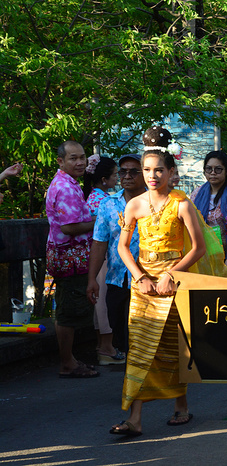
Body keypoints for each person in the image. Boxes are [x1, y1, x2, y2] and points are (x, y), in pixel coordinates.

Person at [110, 127, 214, 437]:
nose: (152, 175)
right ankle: (135, 419)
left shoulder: (181, 203)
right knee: (140, 349)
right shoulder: (134, 205)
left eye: (159, 170)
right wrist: (140, 276)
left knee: (170, 348)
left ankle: (181, 406)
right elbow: (122, 247)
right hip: (143, 288)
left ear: (171, 172)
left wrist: (170, 274)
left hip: (172, 286)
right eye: (147, 170)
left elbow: (199, 247)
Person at [46, 140, 99, 378]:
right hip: (69, 256)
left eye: (82, 157)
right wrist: (100, 221)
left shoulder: (69, 183)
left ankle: (71, 360)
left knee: (69, 306)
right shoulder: (65, 187)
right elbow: (69, 228)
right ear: (61, 161)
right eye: (73, 158)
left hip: (70, 255)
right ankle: (67, 362)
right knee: (67, 310)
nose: (80, 162)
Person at [87, 154, 146, 355]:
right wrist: (92, 279)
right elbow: (99, 242)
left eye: (133, 172)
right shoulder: (108, 204)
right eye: (123, 171)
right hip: (117, 279)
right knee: (120, 336)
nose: (127, 176)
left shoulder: (157, 203)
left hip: (148, 280)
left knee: (141, 339)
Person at [82, 155, 124, 365]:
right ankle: (107, 347)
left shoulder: (95, 196)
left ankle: (104, 346)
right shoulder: (104, 201)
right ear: (104, 179)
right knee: (104, 303)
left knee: (101, 304)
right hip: (106, 256)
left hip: (102, 255)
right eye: (116, 174)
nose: (118, 178)